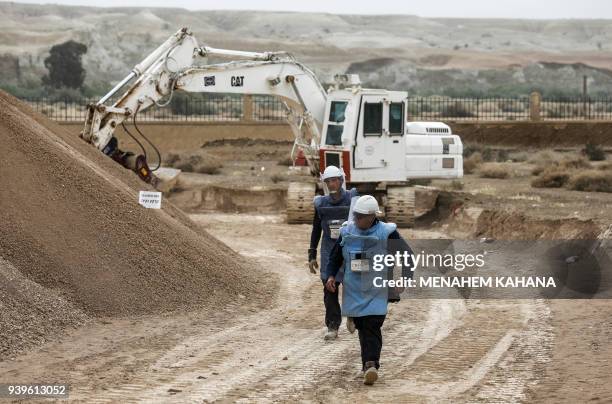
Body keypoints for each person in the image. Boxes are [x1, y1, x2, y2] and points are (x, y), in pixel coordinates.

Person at [325, 195, 414, 385]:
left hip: (378, 289)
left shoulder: (387, 233)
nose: (357, 219)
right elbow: (335, 257)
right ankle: (355, 323)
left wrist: (404, 279)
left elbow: (408, 256)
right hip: (354, 289)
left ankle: (370, 364)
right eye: (355, 215)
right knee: (362, 325)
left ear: (373, 216)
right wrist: (332, 276)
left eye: (361, 216)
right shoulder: (347, 231)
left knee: (372, 325)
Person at [308, 165, 358, 340]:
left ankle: (352, 315)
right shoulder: (321, 204)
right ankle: (333, 325)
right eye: (328, 181)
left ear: (341, 180)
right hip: (330, 251)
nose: (331, 184)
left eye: (334, 180)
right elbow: (316, 230)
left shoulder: (353, 199)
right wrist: (311, 254)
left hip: (351, 250)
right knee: (329, 289)